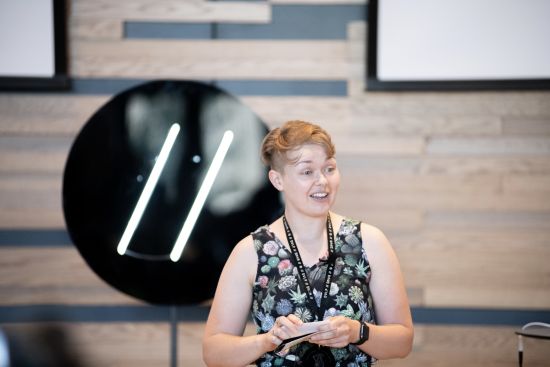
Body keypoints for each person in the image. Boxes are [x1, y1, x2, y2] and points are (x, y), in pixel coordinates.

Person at [203, 120, 413, 366]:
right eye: (307, 172)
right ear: (277, 180)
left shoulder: (369, 241)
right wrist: (268, 341)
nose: (322, 181)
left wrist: (357, 332)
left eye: (329, 168)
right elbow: (213, 352)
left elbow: (403, 341)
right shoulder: (251, 251)